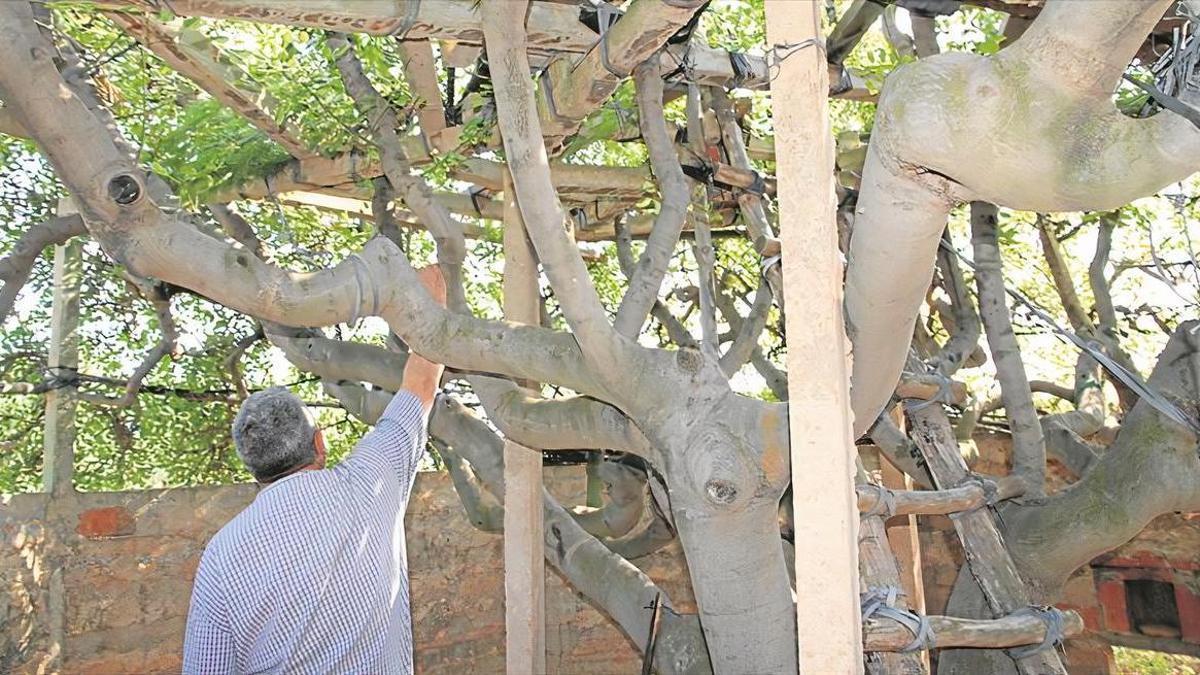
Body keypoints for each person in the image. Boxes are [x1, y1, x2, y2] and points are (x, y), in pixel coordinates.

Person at [182, 265, 448, 674]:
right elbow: (421, 383)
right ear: (319, 443)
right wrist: (428, 291)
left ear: (253, 466)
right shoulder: (368, 482)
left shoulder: (222, 555)